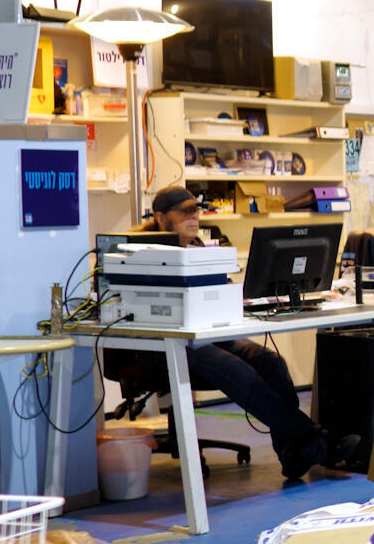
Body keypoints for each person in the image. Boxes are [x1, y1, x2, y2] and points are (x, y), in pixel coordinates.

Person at [133, 187, 359, 482]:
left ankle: (293, 454)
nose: (194, 217)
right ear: (161, 218)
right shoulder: (140, 252)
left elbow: (221, 291)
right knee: (238, 369)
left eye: (195, 210)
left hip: (207, 332)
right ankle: (318, 443)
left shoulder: (199, 249)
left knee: (271, 363)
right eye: (185, 212)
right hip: (166, 342)